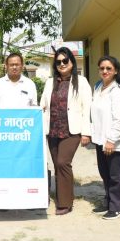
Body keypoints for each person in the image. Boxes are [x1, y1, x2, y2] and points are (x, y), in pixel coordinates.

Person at [40, 47, 92, 215]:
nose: (61, 64)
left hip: (72, 130)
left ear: (71, 62)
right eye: (58, 62)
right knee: (57, 165)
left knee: (63, 162)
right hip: (52, 130)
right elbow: (43, 106)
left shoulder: (81, 82)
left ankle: (65, 203)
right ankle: (65, 195)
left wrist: (86, 132)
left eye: (65, 61)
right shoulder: (50, 82)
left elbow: (87, 108)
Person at [90, 56, 120, 220]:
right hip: (100, 140)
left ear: (116, 71)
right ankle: (108, 202)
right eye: (102, 68)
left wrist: (112, 139)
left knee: (115, 175)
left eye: (108, 68)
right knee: (104, 173)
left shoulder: (117, 90)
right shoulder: (98, 87)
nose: (104, 71)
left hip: (113, 142)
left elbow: (119, 118)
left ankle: (118, 207)